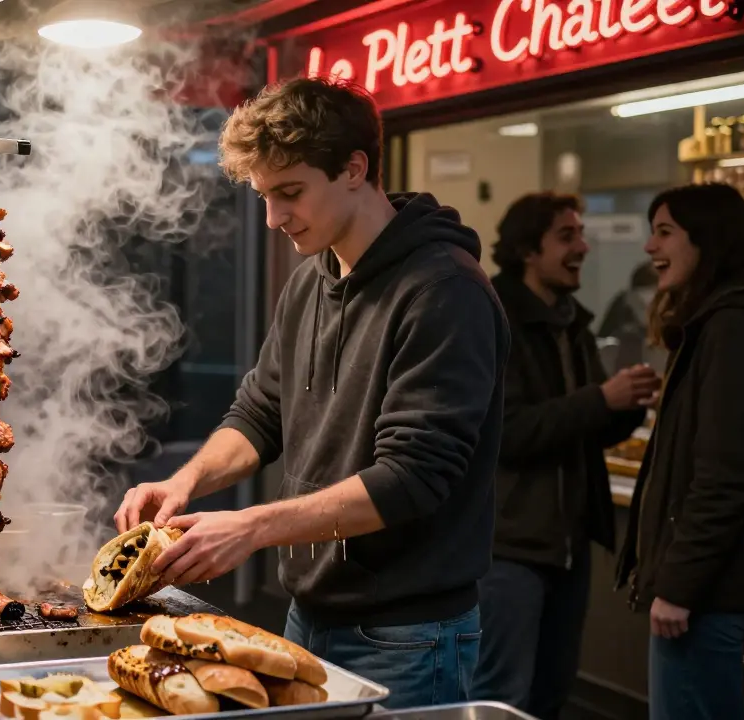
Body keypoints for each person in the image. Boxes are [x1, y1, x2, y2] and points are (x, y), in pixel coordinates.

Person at [112, 77, 510, 709]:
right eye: (264, 195)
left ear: (355, 169)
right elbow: (259, 414)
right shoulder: (310, 281)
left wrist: (249, 527)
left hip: (407, 635)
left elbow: (414, 476)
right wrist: (187, 483)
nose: (273, 218)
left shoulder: (443, 290)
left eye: (290, 193)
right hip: (307, 614)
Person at [472, 193, 659, 719]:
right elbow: (507, 434)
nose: (584, 246)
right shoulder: (495, 317)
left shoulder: (570, 321)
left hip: (566, 545)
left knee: (552, 694)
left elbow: (579, 429)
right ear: (530, 250)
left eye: (580, 234)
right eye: (567, 236)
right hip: (509, 549)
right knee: (501, 697)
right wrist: (603, 398)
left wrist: (628, 404)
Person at [615, 182, 744, 720]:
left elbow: (728, 475)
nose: (650, 248)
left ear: (706, 239)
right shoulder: (719, 322)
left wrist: (679, 585)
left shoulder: (731, 327)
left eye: (664, 233)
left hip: (706, 597)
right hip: (708, 590)